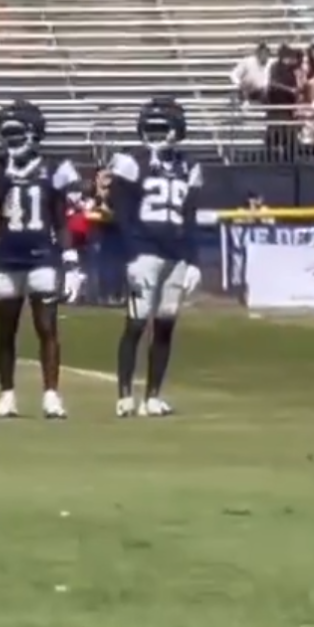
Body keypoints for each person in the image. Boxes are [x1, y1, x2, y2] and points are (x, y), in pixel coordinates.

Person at [0, 100, 83, 420]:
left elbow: (61, 220)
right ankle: (7, 395)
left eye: (18, 132)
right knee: (5, 330)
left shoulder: (55, 168)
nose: (12, 140)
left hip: (43, 258)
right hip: (7, 259)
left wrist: (72, 261)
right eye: (7, 133)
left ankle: (51, 394)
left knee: (46, 327)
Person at [109, 97, 202, 418]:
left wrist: (194, 261)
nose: (156, 133)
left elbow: (191, 216)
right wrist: (132, 253)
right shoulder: (133, 161)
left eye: (163, 127)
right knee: (135, 323)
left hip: (176, 254)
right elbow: (121, 211)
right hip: (145, 252)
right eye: (152, 126)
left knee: (164, 325)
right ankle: (124, 395)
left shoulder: (190, 166)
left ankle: (153, 396)